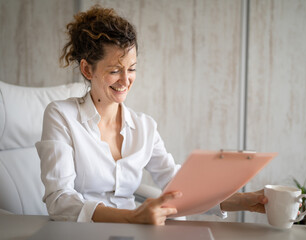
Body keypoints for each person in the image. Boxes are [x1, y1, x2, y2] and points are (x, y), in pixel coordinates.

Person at [36, 5, 267, 225]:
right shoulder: (61, 116)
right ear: (87, 69)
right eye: (115, 71)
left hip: (133, 232)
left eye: (132, 68)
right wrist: (132, 217)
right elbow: (59, 199)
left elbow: (179, 184)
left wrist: (244, 201)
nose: (126, 81)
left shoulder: (144, 127)